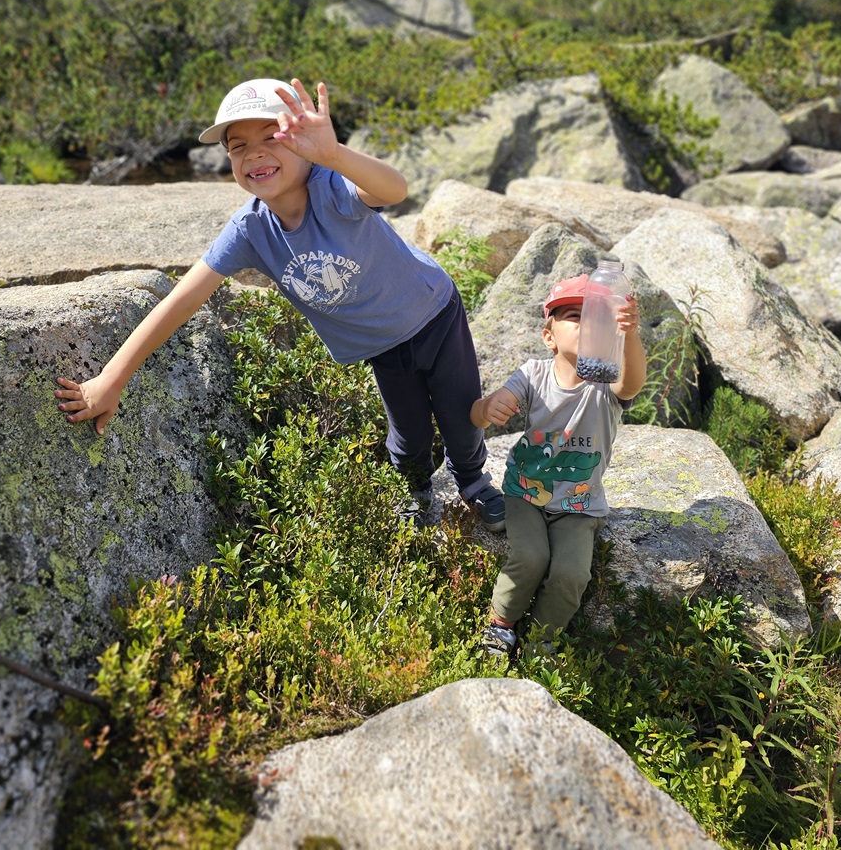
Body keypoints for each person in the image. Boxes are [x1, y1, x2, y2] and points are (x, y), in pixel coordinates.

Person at [55, 77, 505, 531]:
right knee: (407, 433)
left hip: (434, 313)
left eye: (272, 138)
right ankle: (414, 488)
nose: (253, 154)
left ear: (304, 142)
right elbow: (180, 301)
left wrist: (334, 154)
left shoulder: (332, 188)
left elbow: (394, 190)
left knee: (460, 414)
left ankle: (472, 480)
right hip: (381, 346)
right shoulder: (249, 230)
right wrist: (111, 380)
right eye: (238, 146)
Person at [470, 274, 646, 654]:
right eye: (573, 316)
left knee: (570, 574)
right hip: (526, 492)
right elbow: (478, 414)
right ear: (549, 336)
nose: (586, 325)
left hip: (580, 504)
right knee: (531, 557)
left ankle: (540, 640)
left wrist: (630, 335)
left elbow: (632, 385)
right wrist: (488, 408)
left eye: (596, 318)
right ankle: (501, 625)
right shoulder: (533, 374)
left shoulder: (607, 380)